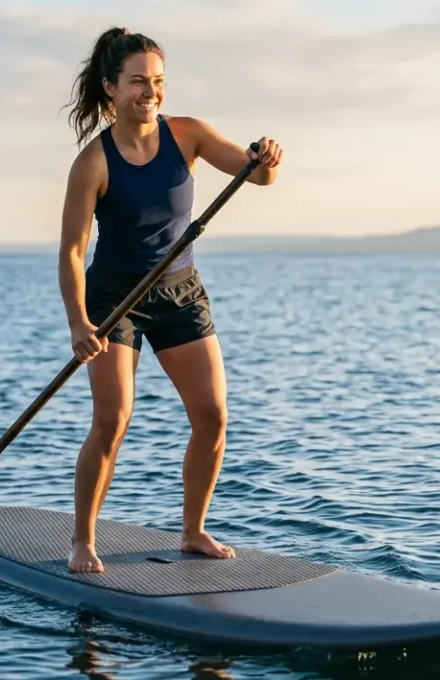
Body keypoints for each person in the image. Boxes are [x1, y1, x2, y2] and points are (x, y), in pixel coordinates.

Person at [56, 26, 283, 573]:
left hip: (181, 290)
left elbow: (257, 176)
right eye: (137, 82)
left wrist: (265, 157)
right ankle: (83, 541)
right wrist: (80, 323)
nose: (150, 92)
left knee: (212, 416)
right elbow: (71, 251)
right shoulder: (94, 163)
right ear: (111, 89)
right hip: (117, 298)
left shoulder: (188, 135)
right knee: (113, 420)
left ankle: (193, 531)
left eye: (157, 81)